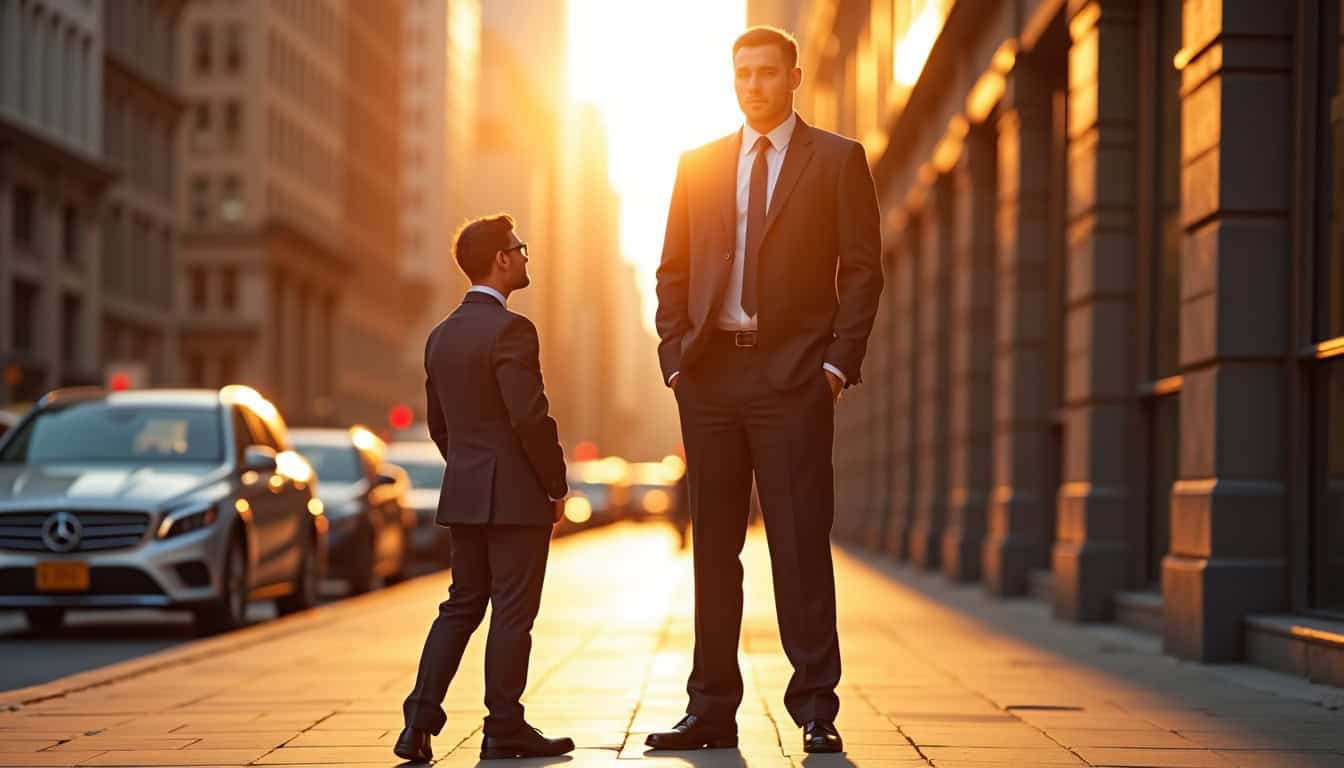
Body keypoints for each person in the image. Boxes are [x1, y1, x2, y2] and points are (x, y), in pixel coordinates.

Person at [648, 25, 884, 755]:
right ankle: (711, 707)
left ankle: (815, 705)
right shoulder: (698, 164)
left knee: (799, 545)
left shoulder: (839, 160)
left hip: (793, 381)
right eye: (743, 74)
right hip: (712, 378)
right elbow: (672, 271)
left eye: (766, 73)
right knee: (713, 550)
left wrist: (837, 367)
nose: (754, 85)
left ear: (795, 77)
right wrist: (677, 359)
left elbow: (863, 271)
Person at [395, 214, 574, 763]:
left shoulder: (440, 336)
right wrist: (554, 482)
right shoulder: (512, 330)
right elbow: (529, 416)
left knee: (462, 605)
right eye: (520, 248)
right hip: (518, 498)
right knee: (513, 611)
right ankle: (504, 728)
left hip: (467, 494)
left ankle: (418, 724)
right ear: (500, 258)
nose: (525, 257)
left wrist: (472, 470)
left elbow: (439, 425)